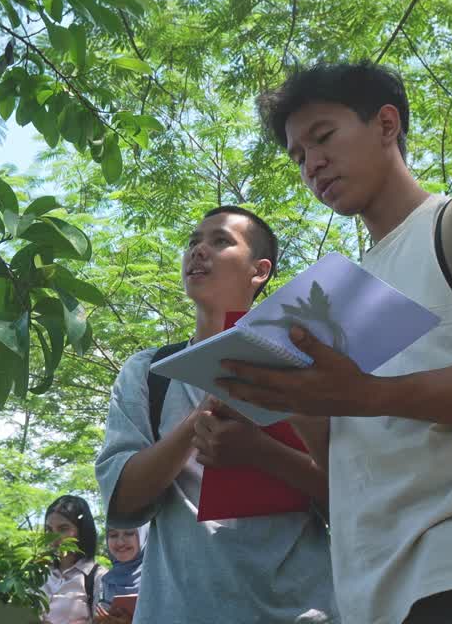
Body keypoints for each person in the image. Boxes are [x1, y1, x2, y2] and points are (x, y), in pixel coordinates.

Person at [219, 62, 452, 624]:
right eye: (298, 157)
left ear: (386, 124)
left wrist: (369, 395)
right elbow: (354, 472)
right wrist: (298, 399)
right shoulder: (338, 295)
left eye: (322, 138)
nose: (312, 164)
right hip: (371, 601)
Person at [94, 206, 339, 624]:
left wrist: (262, 452)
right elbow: (122, 502)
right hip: (176, 611)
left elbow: (347, 498)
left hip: (304, 611)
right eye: (193, 242)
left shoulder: (308, 369)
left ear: (259, 271)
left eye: (220, 241)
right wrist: (200, 419)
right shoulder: (148, 373)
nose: (199, 251)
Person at [41, 495, 107, 624]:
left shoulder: (99, 577)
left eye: (63, 529)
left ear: (82, 531)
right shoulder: (39, 573)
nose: (54, 538)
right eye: (49, 530)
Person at [93, 526, 145, 624]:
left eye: (129, 533)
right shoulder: (105, 581)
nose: (120, 542)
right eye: (113, 535)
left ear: (143, 535)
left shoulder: (158, 578)